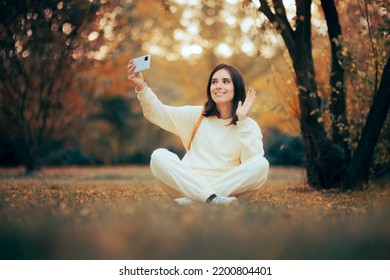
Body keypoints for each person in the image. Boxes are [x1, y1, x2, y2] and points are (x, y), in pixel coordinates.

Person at [127, 59, 269, 205]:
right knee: (159, 155)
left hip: (228, 186)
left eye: (225, 81)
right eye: (214, 82)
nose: (218, 86)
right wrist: (142, 87)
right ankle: (212, 199)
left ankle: (194, 200)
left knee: (261, 163)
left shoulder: (248, 125)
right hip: (187, 184)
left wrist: (243, 121)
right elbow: (157, 113)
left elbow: (251, 163)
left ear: (237, 88)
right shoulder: (196, 115)